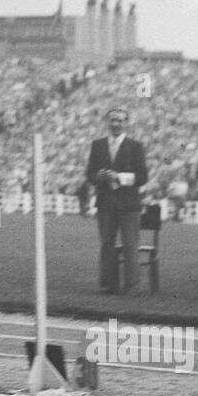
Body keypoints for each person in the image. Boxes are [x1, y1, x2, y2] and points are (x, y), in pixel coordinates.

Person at [84, 107, 148, 295]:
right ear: (107, 122)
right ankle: (108, 285)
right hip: (105, 203)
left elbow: (142, 177)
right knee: (107, 246)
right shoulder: (98, 145)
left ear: (126, 123)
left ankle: (132, 286)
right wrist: (100, 176)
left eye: (120, 120)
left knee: (130, 245)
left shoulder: (135, 146)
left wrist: (119, 177)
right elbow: (89, 175)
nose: (116, 124)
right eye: (113, 120)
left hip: (129, 205)